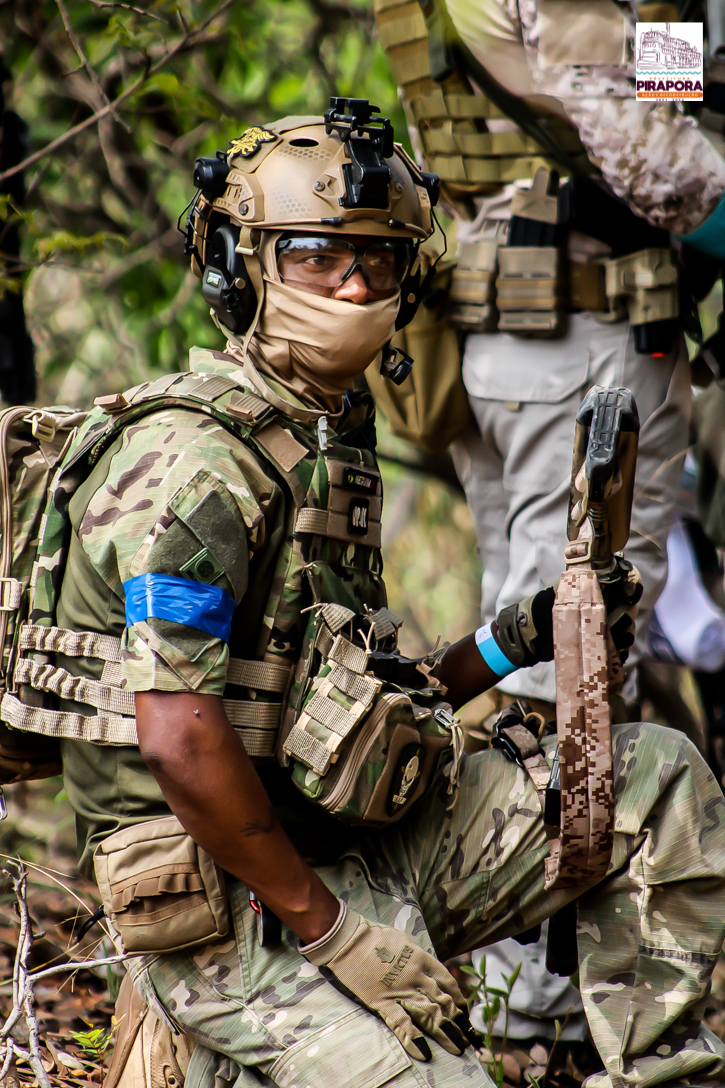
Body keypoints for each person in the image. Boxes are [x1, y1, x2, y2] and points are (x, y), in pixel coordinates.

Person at [18, 104, 725, 1088]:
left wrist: (514, 637)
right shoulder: (192, 464)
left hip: (347, 837)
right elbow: (180, 740)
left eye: (380, 261)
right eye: (315, 256)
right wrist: (337, 934)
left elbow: (343, 704)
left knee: (649, 776)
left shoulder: (324, 441)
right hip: (227, 903)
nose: (354, 285)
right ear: (238, 268)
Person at [372, 0, 725, 1043]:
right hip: (582, 343)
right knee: (569, 652)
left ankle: (531, 984)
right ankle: (530, 996)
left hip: (519, 338)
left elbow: (653, 82)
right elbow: (637, 144)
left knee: (527, 640)